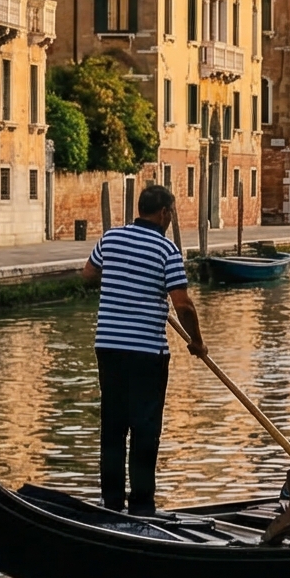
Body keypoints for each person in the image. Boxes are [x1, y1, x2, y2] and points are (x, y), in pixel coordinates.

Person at [82, 184, 206, 514]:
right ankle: (141, 506)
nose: (171, 218)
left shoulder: (110, 239)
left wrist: (118, 285)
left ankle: (110, 503)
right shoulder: (167, 251)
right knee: (144, 429)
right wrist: (197, 341)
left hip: (108, 346)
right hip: (146, 353)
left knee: (112, 427)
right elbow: (184, 305)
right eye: (172, 213)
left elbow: (88, 274)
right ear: (164, 213)